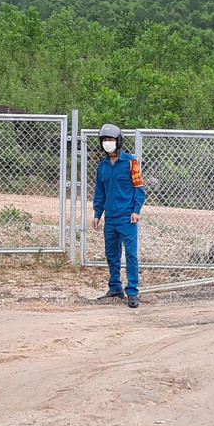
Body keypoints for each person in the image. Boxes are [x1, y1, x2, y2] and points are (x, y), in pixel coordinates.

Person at [91, 123, 146, 308]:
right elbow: (100, 192)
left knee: (130, 254)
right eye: (105, 140)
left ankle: (132, 291)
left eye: (111, 140)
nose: (108, 143)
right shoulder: (102, 166)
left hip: (127, 217)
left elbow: (139, 189)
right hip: (111, 218)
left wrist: (136, 211)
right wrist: (97, 214)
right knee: (111, 254)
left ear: (118, 141)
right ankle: (115, 286)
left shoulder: (131, 163)